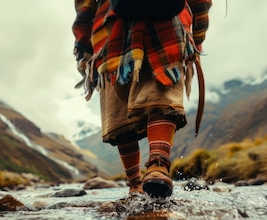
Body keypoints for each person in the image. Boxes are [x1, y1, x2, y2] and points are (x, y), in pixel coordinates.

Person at [73, 0, 212, 197]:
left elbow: (85, 4)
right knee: (162, 89)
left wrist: (83, 42)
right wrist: (197, 35)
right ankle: (158, 166)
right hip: (169, 23)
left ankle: (135, 186)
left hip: (110, 29)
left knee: (118, 110)